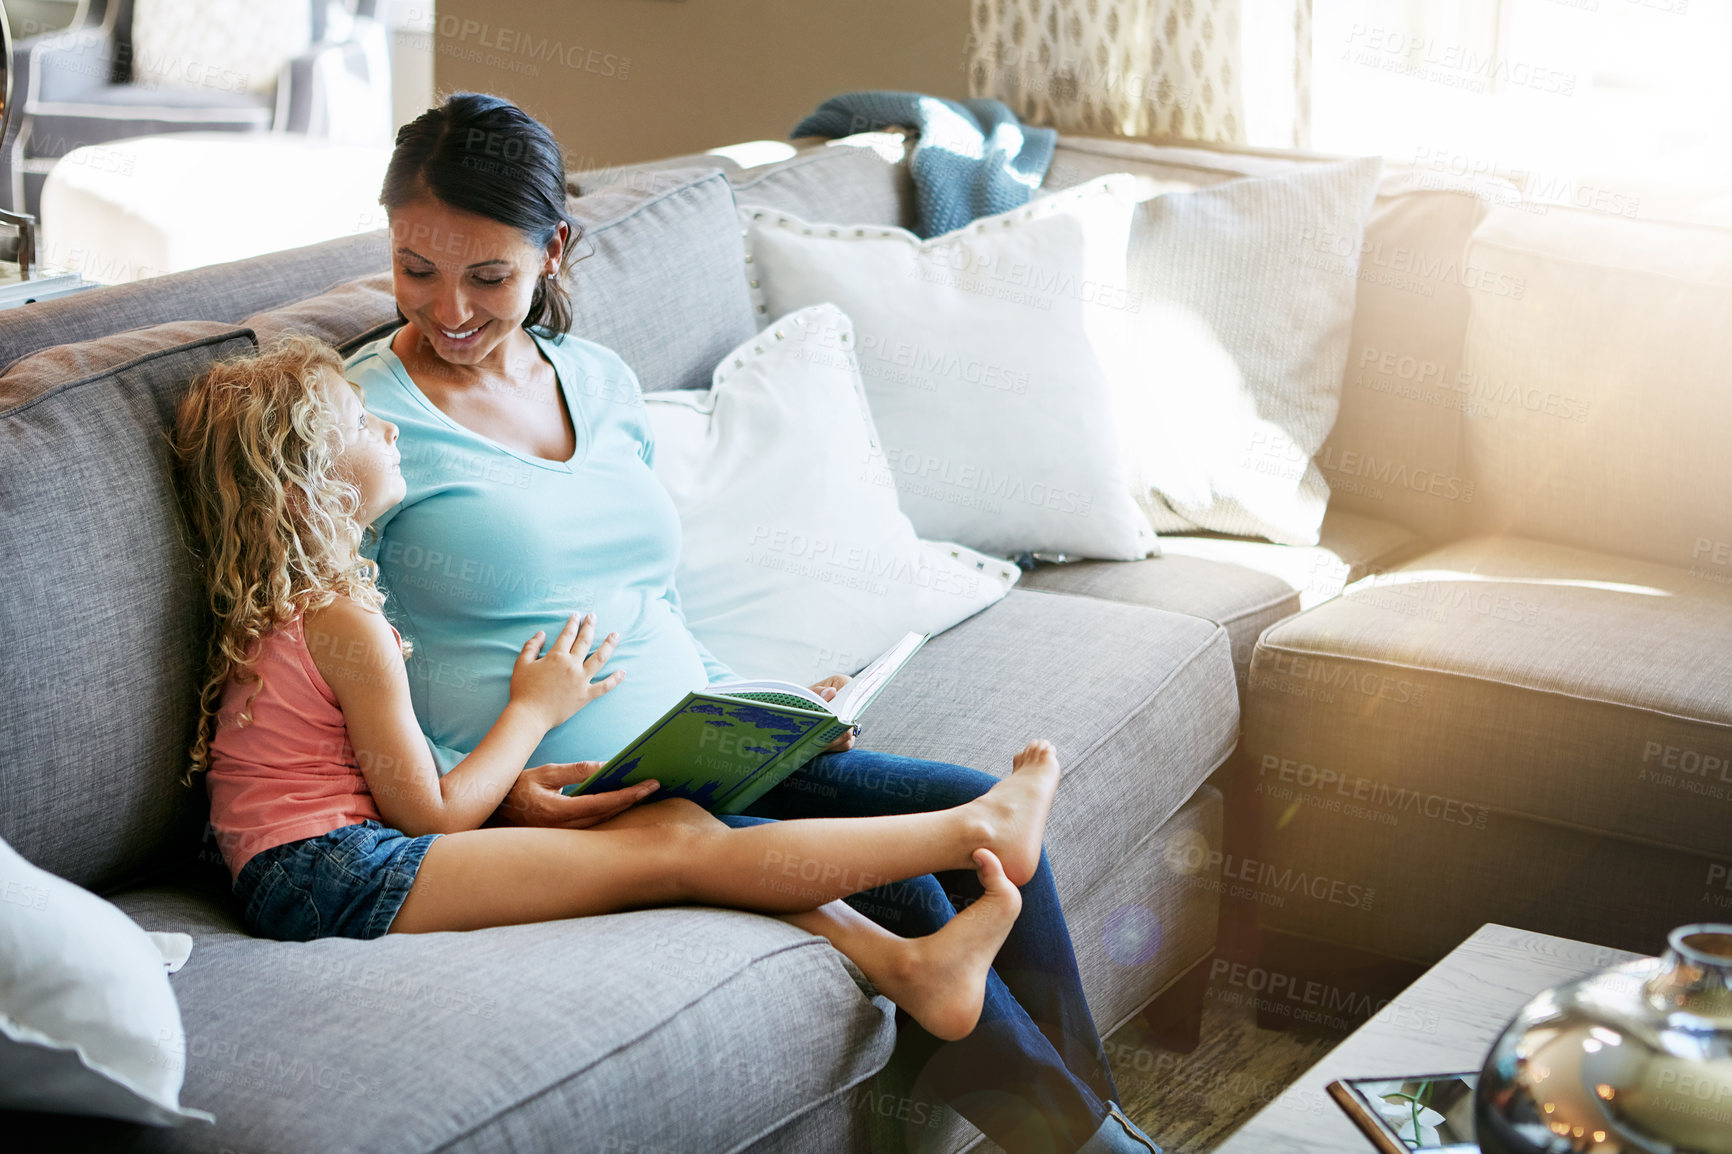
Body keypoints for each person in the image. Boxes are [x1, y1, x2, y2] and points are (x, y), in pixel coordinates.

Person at [339, 91, 1163, 1154]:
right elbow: (335, 647)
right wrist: (496, 788)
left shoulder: (594, 378)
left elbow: (651, 595)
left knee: (979, 815)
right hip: (553, 795)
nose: (446, 308)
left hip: (702, 736)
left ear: (553, 250)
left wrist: (758, 697)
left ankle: (1095, 1135)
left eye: (487, 275)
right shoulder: (360, 419)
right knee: (909, 880)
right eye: (415, 267)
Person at [173, 333, 1064, 1047]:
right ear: (304, 490)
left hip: (307, 872)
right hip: (333, 878)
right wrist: (535, 707)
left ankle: (912, 969)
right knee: (673, 850)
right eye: (365, 427)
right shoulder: (343, 622)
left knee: (673, 832)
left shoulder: (294, 607)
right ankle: (976, 828)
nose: (391, 431)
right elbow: (430, 816)